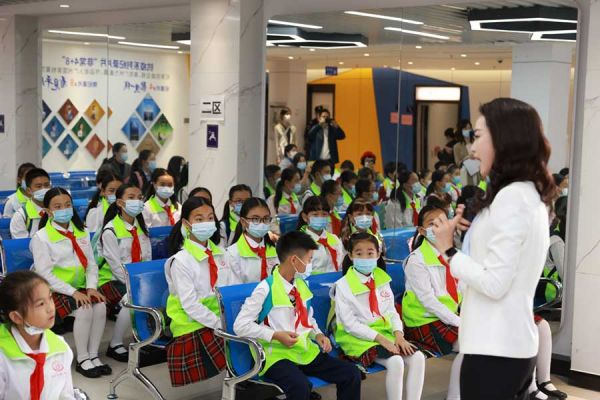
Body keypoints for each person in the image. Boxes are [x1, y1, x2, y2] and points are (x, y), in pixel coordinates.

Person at [430, 98, 556, 400]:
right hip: (504, 345)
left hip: (496, 348)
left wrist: (449, 251)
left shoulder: (513, 197)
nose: (472, 148)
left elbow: (495, 283)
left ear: (504, 139)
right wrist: (470, 235)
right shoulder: (523, 193)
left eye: (478, 136)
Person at [234, 231, 361, 400]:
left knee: (351, 373)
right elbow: (240, 326)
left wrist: (318, 334)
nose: (310, 265)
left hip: (303, 351)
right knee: (300, 386)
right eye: (309, 260)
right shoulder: (265, 289)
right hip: (276, 355)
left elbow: (308, 318)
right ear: (294, 260)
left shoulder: (301, 285)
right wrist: (275, 335)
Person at [333, 232, 425, 400]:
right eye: (359, 253)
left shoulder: (382, 278)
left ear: (378, 254)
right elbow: (350, 325)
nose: (365, 258)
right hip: (356, 338)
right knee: (396, 361)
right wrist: (382, 340)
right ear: (350, 256)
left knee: (418, 357)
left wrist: (399, 335)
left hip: (385, 333)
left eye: (370, 253)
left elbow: (391, 312)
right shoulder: (343, 286)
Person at [30, 188, 110, 378]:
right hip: (53, 290)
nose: (64, 209)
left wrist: (91, 288)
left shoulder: (82, 232)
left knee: (100, 305)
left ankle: (93, 354)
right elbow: (44, 274)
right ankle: (82, 359)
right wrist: (73, 292)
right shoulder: (41, 237)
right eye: (57, 206)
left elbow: (91, 264)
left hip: (80, 287)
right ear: (48, 211)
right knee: (85, 308)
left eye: (67, 205)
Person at [164, 197, 230, 386]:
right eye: (199, 219)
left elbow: (230, 290)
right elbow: (190, 305)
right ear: (187, 223)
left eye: (210, 218)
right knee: (241, 344)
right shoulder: (180, 261)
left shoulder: (222, 253)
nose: (206, 223)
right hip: (191, 324)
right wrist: (220, 324)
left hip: (219, 319)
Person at [403, 205, 462, 400]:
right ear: (421, 230)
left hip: (449, 316)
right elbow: (428, 301)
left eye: (442, 222)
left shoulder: (453, 254)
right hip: (424, 321)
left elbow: (463, 289)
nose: (437, 227)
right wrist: (460, 321)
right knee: (470, 344)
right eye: (431, 223)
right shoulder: (416, 260)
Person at [96, 183, 152, 363]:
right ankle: (115, 344)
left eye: (140, 197)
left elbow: (147, 259)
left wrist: (147, 281)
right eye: (131, 197)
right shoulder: (110, 230)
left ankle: (147, 337)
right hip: (111, 280)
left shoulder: (141, 228)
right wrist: (136, 285)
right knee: (133, 297)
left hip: (137, 279)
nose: (137, 201)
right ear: (120, 203)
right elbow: (115, 266)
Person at [0, 271, 76, 399]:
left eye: (50, 298)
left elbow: (66, 395)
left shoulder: (61, 348)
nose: (50, 308)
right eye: (41, 304)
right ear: (17, 317)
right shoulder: (3, 356)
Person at [226, 197, 279, 284]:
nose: (262, 223)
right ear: (243, 221)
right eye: (255, 219)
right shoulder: (232, 254)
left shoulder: (276, 250)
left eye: (266, 218)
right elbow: (235, 289)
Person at [297, 196, 344, 274]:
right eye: (315, 215)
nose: (320, 218)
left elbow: (340, 266)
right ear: (305, 217)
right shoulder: (298, 242)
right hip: (310, 281)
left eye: (324, 214)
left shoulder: (334, 238)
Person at [10, 168, 52, 239]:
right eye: (38, 186)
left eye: (46, 185)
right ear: (29, 190)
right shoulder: (21, 216)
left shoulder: (58, 209)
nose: (43, 189)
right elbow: (22, 244)